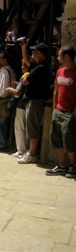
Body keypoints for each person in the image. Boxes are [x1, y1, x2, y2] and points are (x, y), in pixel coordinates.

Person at [45, 46, 76, 177]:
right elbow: (56, 90)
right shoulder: (59, 71)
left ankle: (73, 165)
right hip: (58, 110)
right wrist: (54, 107)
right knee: (57, 139)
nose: (58, 58)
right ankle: (61, 165)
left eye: (59, 55)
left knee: (69, 140)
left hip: (70, 112)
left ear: (67, 56)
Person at [18, 43, 51, 164]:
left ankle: (32, 154)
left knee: (33, 128)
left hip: (35, 100)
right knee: (30, 127)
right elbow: (27, 62)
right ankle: (30, 152)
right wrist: (23, 47)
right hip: (33, 100)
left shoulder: (40, 68)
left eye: (34, 51)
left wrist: (23, 78)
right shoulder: (38, 66)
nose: (32, 53)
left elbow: (25, 81)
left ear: (40, 53)